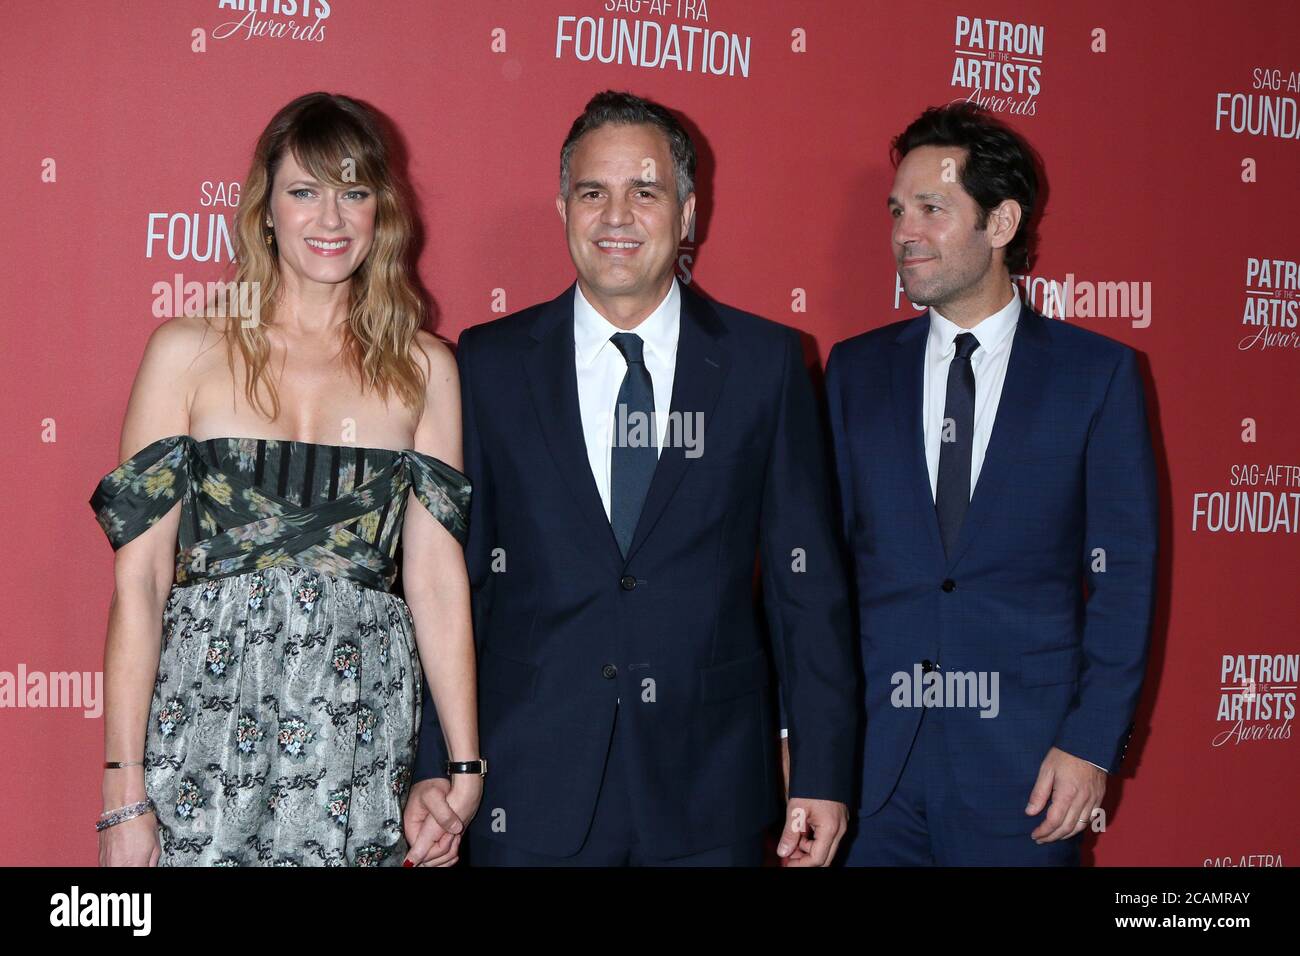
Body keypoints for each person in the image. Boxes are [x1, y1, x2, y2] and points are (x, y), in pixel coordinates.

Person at [401, 90, 858, 867]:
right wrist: (434, 766)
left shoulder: (765, 364)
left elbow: (803, 587)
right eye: (592, 192)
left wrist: (820, 768)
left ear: (686, 213)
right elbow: (456, 582)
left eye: (643, 192)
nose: (616, 216)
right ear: (563, 209)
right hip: (526, 785)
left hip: (710, 788)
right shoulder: (486, 364)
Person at [89, 92, 481, 867]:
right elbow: (140, 584)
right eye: (305, 191)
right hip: (203, 731)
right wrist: (122, 793)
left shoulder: (425, 368)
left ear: (382, 211)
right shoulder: (186, 353)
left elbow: (435, 582)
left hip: (357, 729)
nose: (330, 219)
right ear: (266, 209)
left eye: (354, 191)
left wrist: (464, 767)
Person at [827, 102, 1159, 866]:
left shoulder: (1095, 376)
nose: (904, 232)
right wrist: (806, 739)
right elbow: (818, 574)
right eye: (897, 209)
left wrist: (1090, 745)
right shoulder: (855, 372)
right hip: (875, 770)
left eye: (932, 209)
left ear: (1001, 223)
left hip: (1027, 774)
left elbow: (1125, 577)